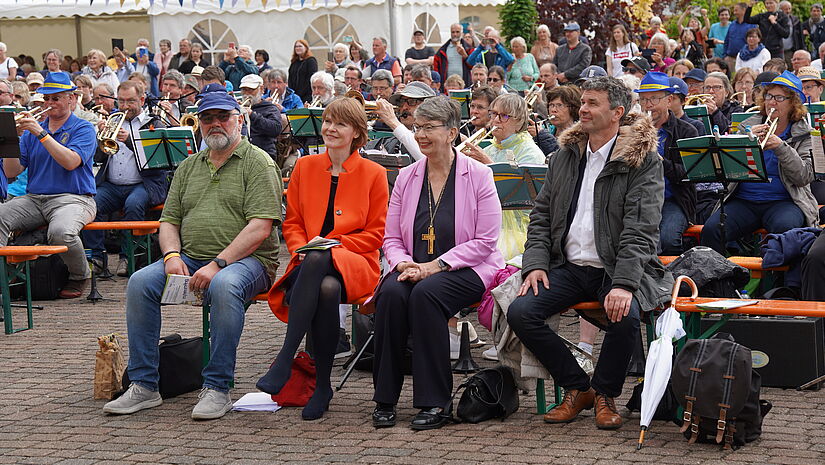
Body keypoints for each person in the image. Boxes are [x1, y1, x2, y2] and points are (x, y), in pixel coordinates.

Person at [102, 89, 282, 419]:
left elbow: (260, 227)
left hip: (249, 262)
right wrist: (171, 255)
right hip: (191, 257)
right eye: (207, 118)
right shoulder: (188, 166)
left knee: (224, 286)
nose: (215, 124)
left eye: (222, 117)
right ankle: (144, 385)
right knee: (140, 282)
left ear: (239, 120)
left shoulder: (259, 162)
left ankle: (217, 387)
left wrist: (217, 264)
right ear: (199, 123)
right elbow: (168, 220)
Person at [506, 76, 672, 430]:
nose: (582, 109)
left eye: (593, 103)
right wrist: (535, 265)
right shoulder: (565, 155)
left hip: (616, 267)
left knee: (625, 317)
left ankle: (605, 395)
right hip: (567, 265)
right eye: (582, 102)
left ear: (617, 113)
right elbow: (541, 217)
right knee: (521, 311)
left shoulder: (641, 160)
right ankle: (578, 388)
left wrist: (625, 284)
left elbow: (641, 229)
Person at [371, 96, 503, 430]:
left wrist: (435, 266)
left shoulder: (480, 175)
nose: (420, 135)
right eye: (417, 127)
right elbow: (391, 238)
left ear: (452, 133)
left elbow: (486, 241)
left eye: (429, 127)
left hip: (470, 268)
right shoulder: (406, 177)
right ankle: (384, 398)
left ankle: (435, 402)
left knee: (426, 294)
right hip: (412, 268)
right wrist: (401, 265)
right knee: (390, 295)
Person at [257, 97, 388, 421]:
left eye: (340, 123)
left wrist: (331, 244)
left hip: (357, 260)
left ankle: (286, 357)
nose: (330, 128)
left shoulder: (374, 173)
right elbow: (293, 223)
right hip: (311, 264)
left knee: (319, 261)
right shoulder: (305, 166)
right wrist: (304, 247)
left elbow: (376, 234)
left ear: (357, 132)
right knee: (326, 287)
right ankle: (322, 387)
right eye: (328, 120)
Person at [0, 72, 97, 298]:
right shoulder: (33, 131)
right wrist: (11, 140)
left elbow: (71, 162)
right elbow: (12, 171)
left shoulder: (83, 128)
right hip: (35, 198)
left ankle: (80, 275)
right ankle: (4, 278)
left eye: (56, 98)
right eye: (46, 99)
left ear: (72, 99)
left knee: (61, 232)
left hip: (75, 197)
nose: (49, 104)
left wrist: (41, 133)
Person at [701, 71, 818, 254]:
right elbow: (726, 169)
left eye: (780, 98)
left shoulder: (805, 133)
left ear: (793, 103)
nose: (772, 102)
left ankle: (780, 281)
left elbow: (804, 177)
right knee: (712, 229)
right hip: (744, 200)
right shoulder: (748, 125)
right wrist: (743, 140)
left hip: (785, 200)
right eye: (769, 96)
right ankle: (723, 280)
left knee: (787, 230)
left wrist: (782, 147)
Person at [82, 80, 169, 276]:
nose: (125, 106)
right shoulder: (113, 119)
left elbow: (155, 160)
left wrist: (129, 140)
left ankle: (128, 257)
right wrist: (100, 138)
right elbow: (97, 157)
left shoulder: (153, 124)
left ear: (142, 99)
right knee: (90, 205)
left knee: (133, 205)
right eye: (121, 101)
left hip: (143, 184)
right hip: (112, 185)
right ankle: (96, 256)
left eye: (130, 101)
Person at [462, 93, 544, 259]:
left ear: (519, 121)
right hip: (484, 221)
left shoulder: (530, 152)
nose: (496, 120)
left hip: (517, 227)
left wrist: (487, 163)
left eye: (504, 115)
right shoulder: (491, 147)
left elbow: (520, 197)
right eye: (493, 114)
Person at [636, 72, 698, 255]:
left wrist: (660, 161)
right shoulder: (633, 130)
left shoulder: (687, 131)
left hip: (672, 199)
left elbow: (690, 174)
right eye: (643, 99)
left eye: (654, 98)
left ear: (669, 100)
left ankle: (672, 280)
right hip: (639, 198)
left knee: (667, 240)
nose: (648, 105)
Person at [239, 74, 281, 161]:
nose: (246, 94)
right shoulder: (238, 108)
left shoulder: (270, 108)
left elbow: (276, 129)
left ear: (261, 89)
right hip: (241, 155)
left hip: (264, 155)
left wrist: (252, 115)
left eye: (251, 90)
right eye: (244, 90)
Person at [725, 2, 759, 71]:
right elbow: (727, 40)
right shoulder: (732, 24)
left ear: (744, 10)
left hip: (745, 59)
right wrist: (725, 55)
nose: (734, 13)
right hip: (730, 58)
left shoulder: (752, 25)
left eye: (736, 10)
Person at [779, 1, 804, 67]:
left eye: (789, 9)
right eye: (785, 9)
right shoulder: (776, 20)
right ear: (780, 9)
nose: (788, 11)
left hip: (790, 51)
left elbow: (800, 37)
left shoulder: (795, 21)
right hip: (778, 51)